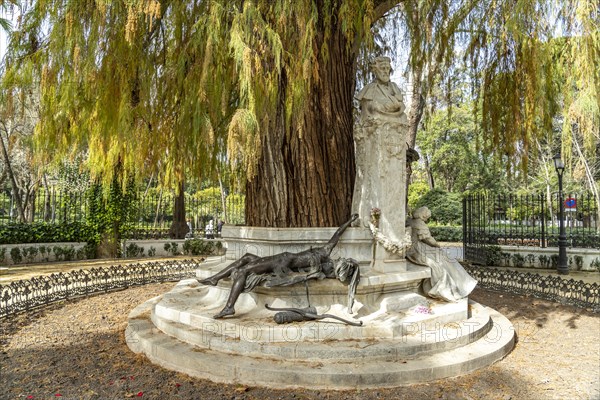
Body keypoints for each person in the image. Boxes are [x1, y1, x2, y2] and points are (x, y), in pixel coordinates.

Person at [199, 214, 360, 318]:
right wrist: (349, 221)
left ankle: (229, 307)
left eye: (341, 264)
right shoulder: (324, 253)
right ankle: (215, 278)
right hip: (282, 260)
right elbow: (337, 234)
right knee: (247, 257)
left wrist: (350, 221)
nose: (339, 262)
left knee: (243, 270)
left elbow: (336, 236)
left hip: (281, 261)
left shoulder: (323, 258)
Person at [406, 207, 477, 302]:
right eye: (427, 217)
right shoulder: (420, 224)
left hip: (413, 249)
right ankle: (460, 285)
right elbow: (429, 239)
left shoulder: (409, 221)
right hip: (417, 250)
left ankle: (462, 283)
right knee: (443, 259)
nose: (427, 219)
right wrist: (437, 245)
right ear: (423, 215)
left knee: (443, 258)